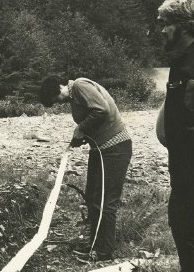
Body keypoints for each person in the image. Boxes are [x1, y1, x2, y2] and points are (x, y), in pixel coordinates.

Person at [39, 76, 132, 262]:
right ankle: (96, 244)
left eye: (56, 98)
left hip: (114, 148)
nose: (59, 102)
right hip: (100, 149)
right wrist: (82, 137)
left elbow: (101, 110)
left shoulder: (80, 86)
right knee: (92, 197)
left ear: (59, 87)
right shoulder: (74, 97)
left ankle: (104, 252)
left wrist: (81, 128)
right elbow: (94, 118)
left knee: (106, 202)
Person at [157, 0, 194, 272]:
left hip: (193, 163)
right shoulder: (183, 60)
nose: (161, 30)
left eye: (166, 23)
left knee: (187, 219)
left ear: (184, 25)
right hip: (183, 161)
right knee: (182, 218)